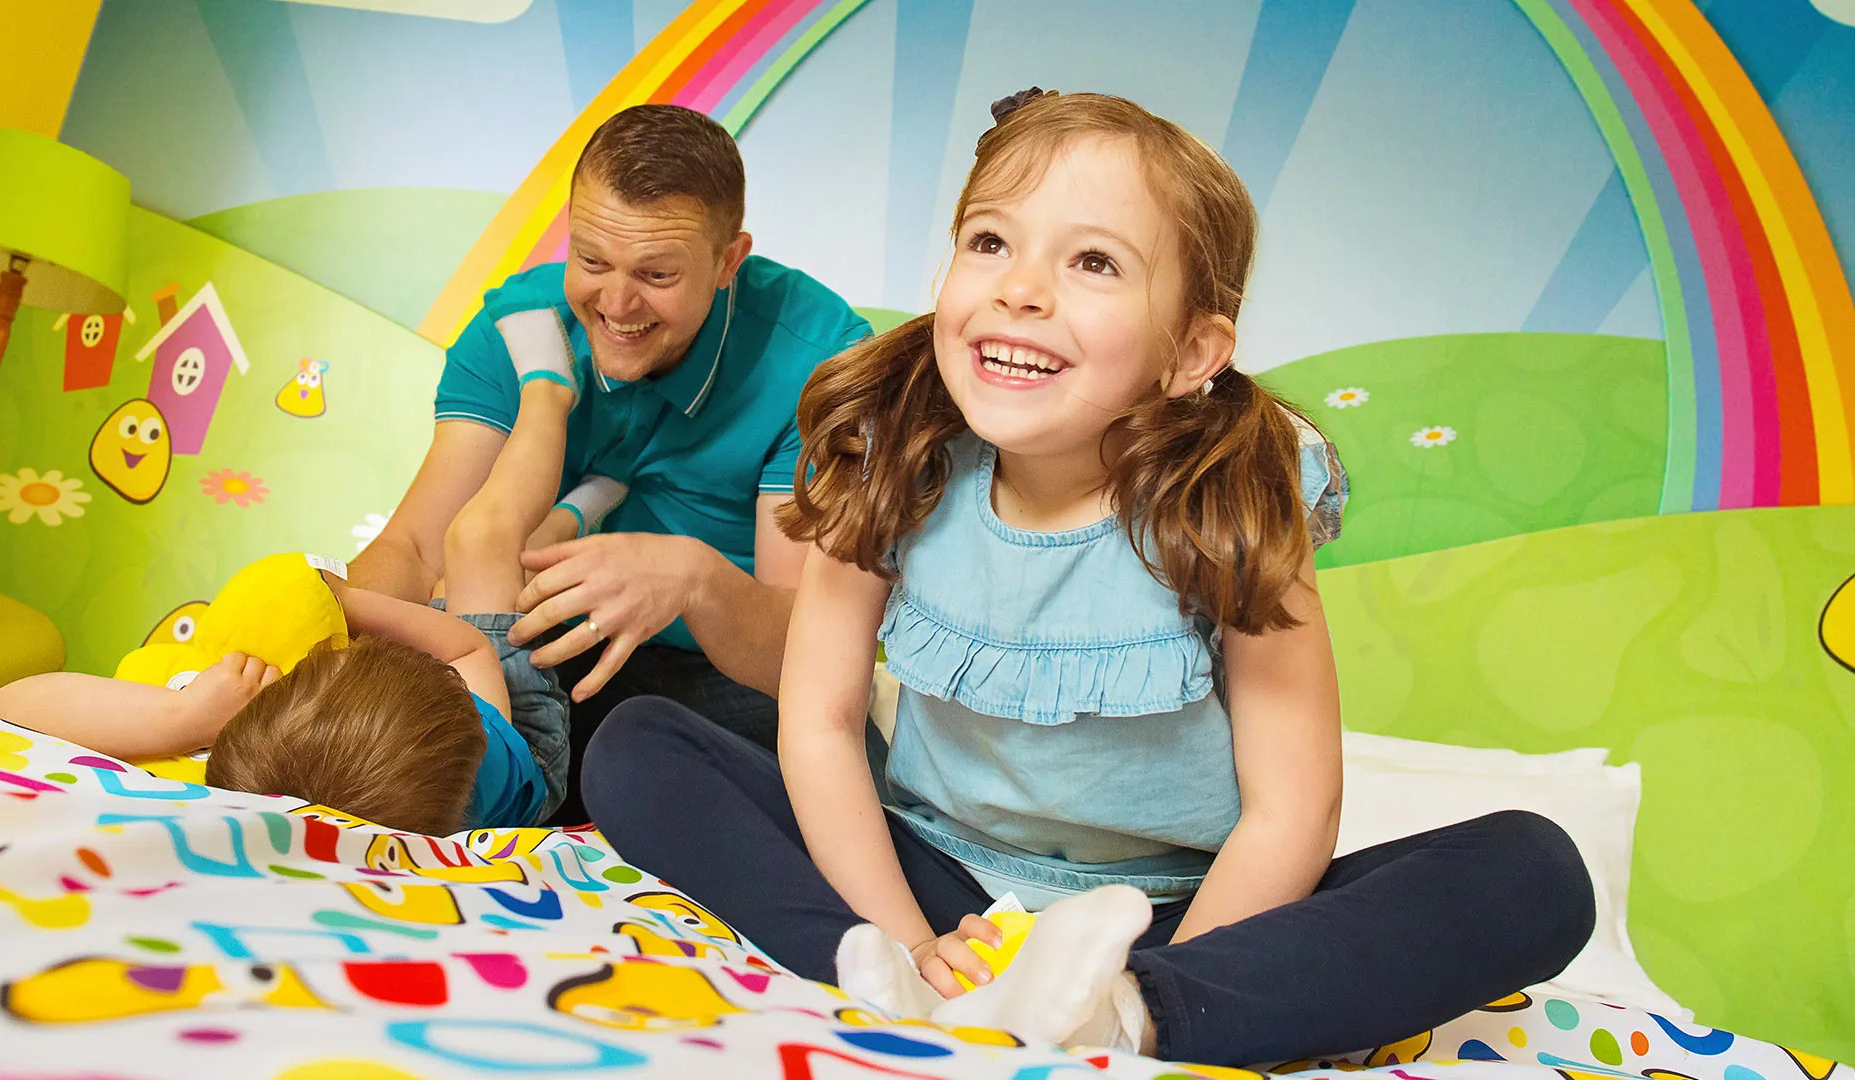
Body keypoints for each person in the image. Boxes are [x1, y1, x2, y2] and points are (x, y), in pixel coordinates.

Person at [577, 91, 1594, 1066]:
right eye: (990, 242)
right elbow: (822, 721)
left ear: (1191, 351)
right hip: (934, 877)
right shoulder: (894, 448)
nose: (1019, 288)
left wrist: (1153, 979)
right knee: (639, 747)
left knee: (1535, 872)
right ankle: (882, 983)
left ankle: (1129, 1024)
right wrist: (910, 941)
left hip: (1178, 915)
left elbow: (1292, 810)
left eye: (1095, 262)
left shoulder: (1233, 494)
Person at [347, 105, 870, 822]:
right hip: (531, 653)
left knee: (795, 773)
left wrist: (692, 578)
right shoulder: (522, 327)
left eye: (656, 273)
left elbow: (809, 659)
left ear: (728, 261)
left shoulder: (818, 360)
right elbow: (411, 550)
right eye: (590, 261)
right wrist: (316, 651)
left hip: (718, 675)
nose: (616, 304)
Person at [0, 371, 585, 834]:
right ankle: (553, 407)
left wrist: (181, 717)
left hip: (406, 735)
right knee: (479, 540)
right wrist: (349, 601)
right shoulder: (483, 749)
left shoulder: (244, 762)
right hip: (517, 735)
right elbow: (464, 646)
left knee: (446, 587)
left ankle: (554, 530)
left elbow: (10, 706)